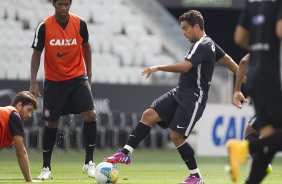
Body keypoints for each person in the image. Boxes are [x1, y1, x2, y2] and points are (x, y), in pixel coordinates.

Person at [105, 10, 238, 184]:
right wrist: (243, 79)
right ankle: (125, 153)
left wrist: (159, 67)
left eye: (185, 29)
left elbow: (185, 67)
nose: (183, 33)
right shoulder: (208, 43)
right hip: (180, 91)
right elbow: (227, 60)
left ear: (197, 27)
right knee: (149, 115)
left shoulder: (203, 44)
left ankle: (196, 177)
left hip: (193, 98)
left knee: (176, 136)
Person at [29, 0, 97, 180]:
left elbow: (86, 47)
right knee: (51, 123)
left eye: (67, 4)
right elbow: (36, 53)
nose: (64, 8)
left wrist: (89, 74)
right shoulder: (44, 26)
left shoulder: (80, 23)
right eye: (60, 4)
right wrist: (33, 82)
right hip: (54, 82)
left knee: (90, 114)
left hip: (77, 78)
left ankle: (89, 162)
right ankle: (46, 168)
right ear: (53, 4)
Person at [227, 1, 282, 183]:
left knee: (266, 140)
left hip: (257, 80)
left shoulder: (252, 6)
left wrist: (236, 90)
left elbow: (240, 39)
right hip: (274, 81)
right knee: (268, 139)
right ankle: (243, 149)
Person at [233, 54, 272, 175]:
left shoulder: (267, 41)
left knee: (250, 133)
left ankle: (263, 162)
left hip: (274, 99)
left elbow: (244, 61)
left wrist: (237, 90)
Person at [0, 91, 38, 182]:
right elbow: (21, 151)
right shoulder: (14, 115)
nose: (29, 115)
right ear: (19, 105)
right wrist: (29, 180)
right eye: (29, 110)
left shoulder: (6, 116)